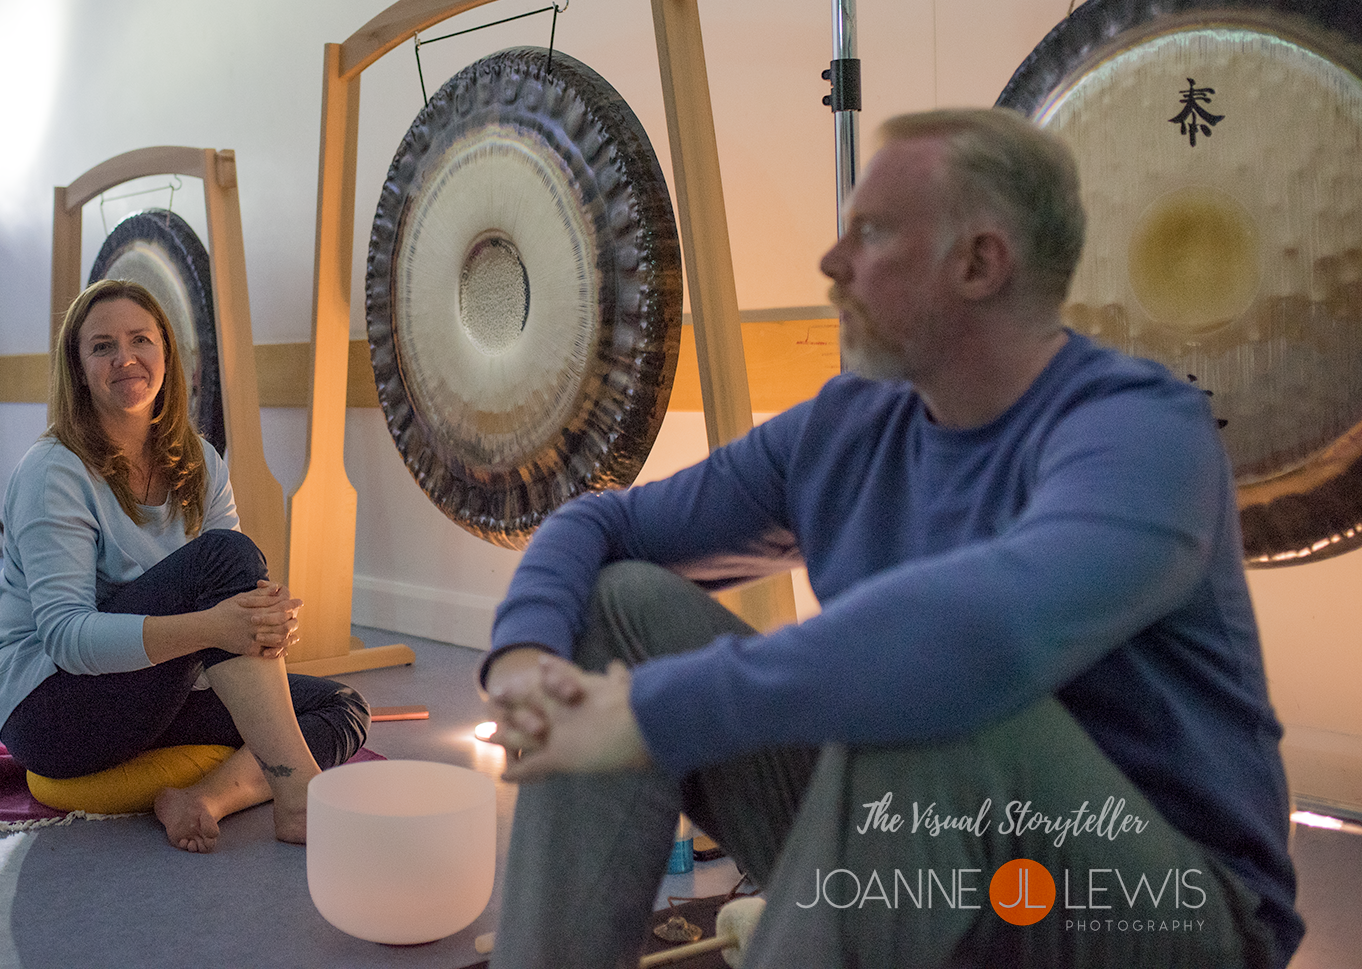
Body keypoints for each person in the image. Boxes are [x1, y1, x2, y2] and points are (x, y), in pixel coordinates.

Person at [481, 109, 1302, 967]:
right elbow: (603, 523)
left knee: (925, 704)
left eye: (869, 235)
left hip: (1162, 910)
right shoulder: (849, 426)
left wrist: (653, 712)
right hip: (931, 856)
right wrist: (523, 656)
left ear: (979, 264)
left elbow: (979, 638)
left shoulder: (1141, 432)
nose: (832, 265)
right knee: (624, 605)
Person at [0, 278, 370, 853]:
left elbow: (233, 598)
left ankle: (203, 800)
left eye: (141, 339)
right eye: (102, 346)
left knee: (341, 706)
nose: (125, 358)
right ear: (78, 368)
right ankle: (300, 795)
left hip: (158, 692)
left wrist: (263, 625)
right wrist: (216, 628)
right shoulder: (53, 472)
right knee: (226, 556)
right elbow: (65, 638)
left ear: (168, 354)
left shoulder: (201, 463)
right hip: (53, 712)